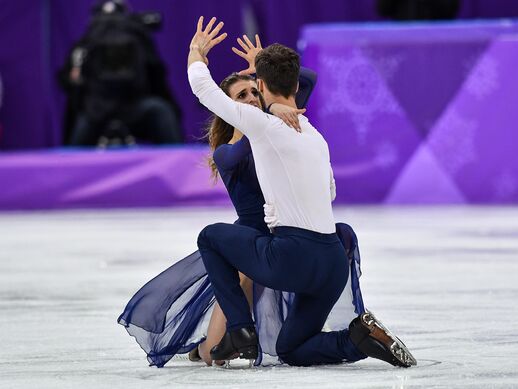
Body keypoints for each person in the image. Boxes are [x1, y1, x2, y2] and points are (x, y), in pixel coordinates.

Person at [118, 34, 365, 367]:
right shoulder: (231, 151)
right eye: (241, 96)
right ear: (231, 108)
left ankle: (333, 333)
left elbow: (300, 81)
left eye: (253, 90)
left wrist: (267, 78)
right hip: (253, 239)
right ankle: (213, 345)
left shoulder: (270, 126)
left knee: (342, 235)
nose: (250, 98)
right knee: (213, 354)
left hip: (287, 240)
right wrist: (270, 103)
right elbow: (261, 122)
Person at [188, 16, 416, 367]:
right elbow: (329, 192)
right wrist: (270, 85)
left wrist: (195, 51)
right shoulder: (313, 135)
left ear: (261, 86)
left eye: (254, 89)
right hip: (331, 262)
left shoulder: (263, 127)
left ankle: (241, 331)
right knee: (291, 349)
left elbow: (201, 87)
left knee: (209, 237)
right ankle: (359, 341)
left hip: (291, 254)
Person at [58, 0, 182, 147]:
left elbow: (68, 82)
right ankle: (182, 166)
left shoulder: (85, 43)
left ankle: (69, 166)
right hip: (129, 108)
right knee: (162, 110)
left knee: (74, 150)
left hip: (95, 112)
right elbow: (158, 78)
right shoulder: (139, 35)